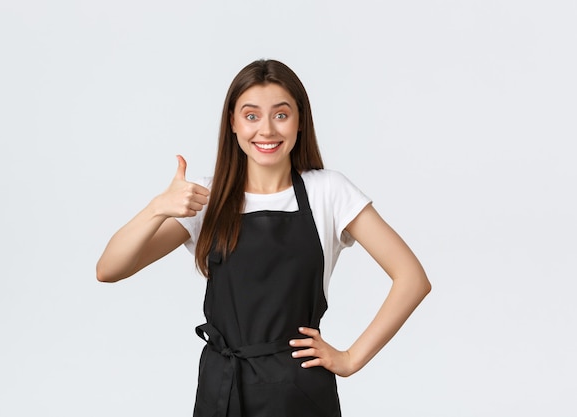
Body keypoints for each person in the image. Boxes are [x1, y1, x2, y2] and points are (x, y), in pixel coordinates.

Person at [96, 59, 431, 417]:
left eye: (281, 115)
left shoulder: (328, 191)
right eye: (252, 116)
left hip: (298, 393)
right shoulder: (209, 200)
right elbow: (109, 269)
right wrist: (157, 208)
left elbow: (412, 279)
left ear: (300, 121)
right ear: (233, 123)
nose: (266, 130)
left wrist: (350, 358)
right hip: (221, 389)